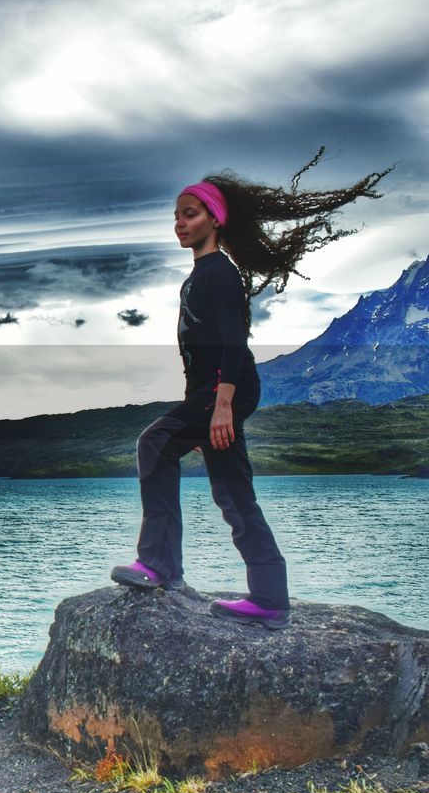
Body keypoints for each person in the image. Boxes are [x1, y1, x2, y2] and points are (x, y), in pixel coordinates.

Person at [110, 148, 394, 630]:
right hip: (211, 392)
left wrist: (221, 405)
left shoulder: (219, 271)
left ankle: (159, 566)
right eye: (176, 216)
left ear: (215, 220)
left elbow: (234, 341)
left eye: (190, 214)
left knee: (154, 443)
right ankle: (269, 599)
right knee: (232, 490)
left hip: (223, 390)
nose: (179, 223)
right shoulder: (198, 276)